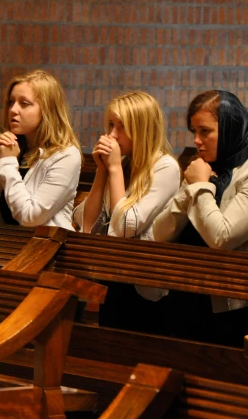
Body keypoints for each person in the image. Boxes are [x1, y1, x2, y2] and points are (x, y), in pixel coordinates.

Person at [152, 90, 248, 346]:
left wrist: (200, 187)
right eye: (193, 132)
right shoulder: (203, 169)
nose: (197, 140)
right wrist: (191, 189)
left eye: (205, 131)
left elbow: (221, 238)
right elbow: (160, 233)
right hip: (186, 296)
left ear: (232, 128)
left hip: (234, 308)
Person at [72, 91, 181, 329]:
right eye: (111, 125)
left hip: (145, 286)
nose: (111, 134)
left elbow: (124, 229)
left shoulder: (165, 167)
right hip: (113, 277)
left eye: (121, 127)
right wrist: (101, 171)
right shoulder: (121, 164)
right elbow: (86, 225)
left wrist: (114, 171)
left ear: (141, 128)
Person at [0, 70, 81, 229]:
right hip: (7, 245)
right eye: (11, 102)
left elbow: (30, 218)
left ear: (47, 111)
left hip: (45, 248)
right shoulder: (13, 149)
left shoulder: (66, 156)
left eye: (24, 104)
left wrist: (6, 164)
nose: (13, 110)